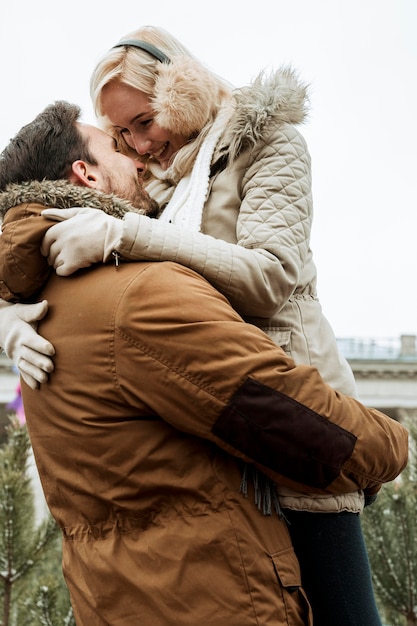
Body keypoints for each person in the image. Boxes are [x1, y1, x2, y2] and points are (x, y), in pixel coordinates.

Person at [0, 28, 387, 624]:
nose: (135, 145)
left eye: (144, 121)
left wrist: (125, 234)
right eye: (121, 134)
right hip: (226, 433)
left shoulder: (269, 147)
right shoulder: (157, 180)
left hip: (297, 416)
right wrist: (2, 318)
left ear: (181, 90)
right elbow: (40, 224)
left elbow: (269, 278)